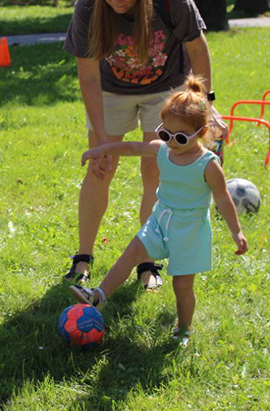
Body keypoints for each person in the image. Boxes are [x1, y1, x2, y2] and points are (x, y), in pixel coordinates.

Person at [62, 0, 213, 293]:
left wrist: (206, 104)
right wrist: (101, 140)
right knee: (101, 169)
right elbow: (87, 75)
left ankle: (148, 262)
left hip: (164, 88)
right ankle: (82, 259)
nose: (115, 0)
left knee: (155, 172)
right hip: (111, 90)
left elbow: (199, 49)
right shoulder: (88, 5)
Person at [70, 77, 248, 345]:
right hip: (160, 219)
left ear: (200, 133)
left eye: (179, 137)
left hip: (190, 229)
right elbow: (132, 147)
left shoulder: (209, 165)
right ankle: (99, 295)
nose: (170, 142)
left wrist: (237, 232)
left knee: (182, 286)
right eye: (165, 133)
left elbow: (223, 198)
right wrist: (103, 147)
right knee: (130, 254)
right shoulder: (164, 149)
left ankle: (184, 329)